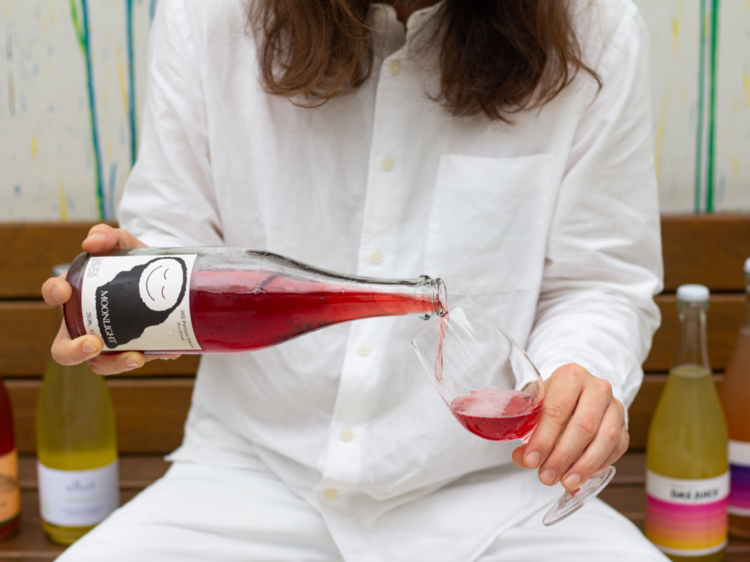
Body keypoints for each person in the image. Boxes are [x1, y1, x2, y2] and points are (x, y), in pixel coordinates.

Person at [42, 0, 669, 560]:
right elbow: (172, 234)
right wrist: (135, 289)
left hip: (497, 488)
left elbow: (598, 281)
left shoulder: (597, 30)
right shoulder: (209, 15)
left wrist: (581, 372)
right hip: (250, 477)